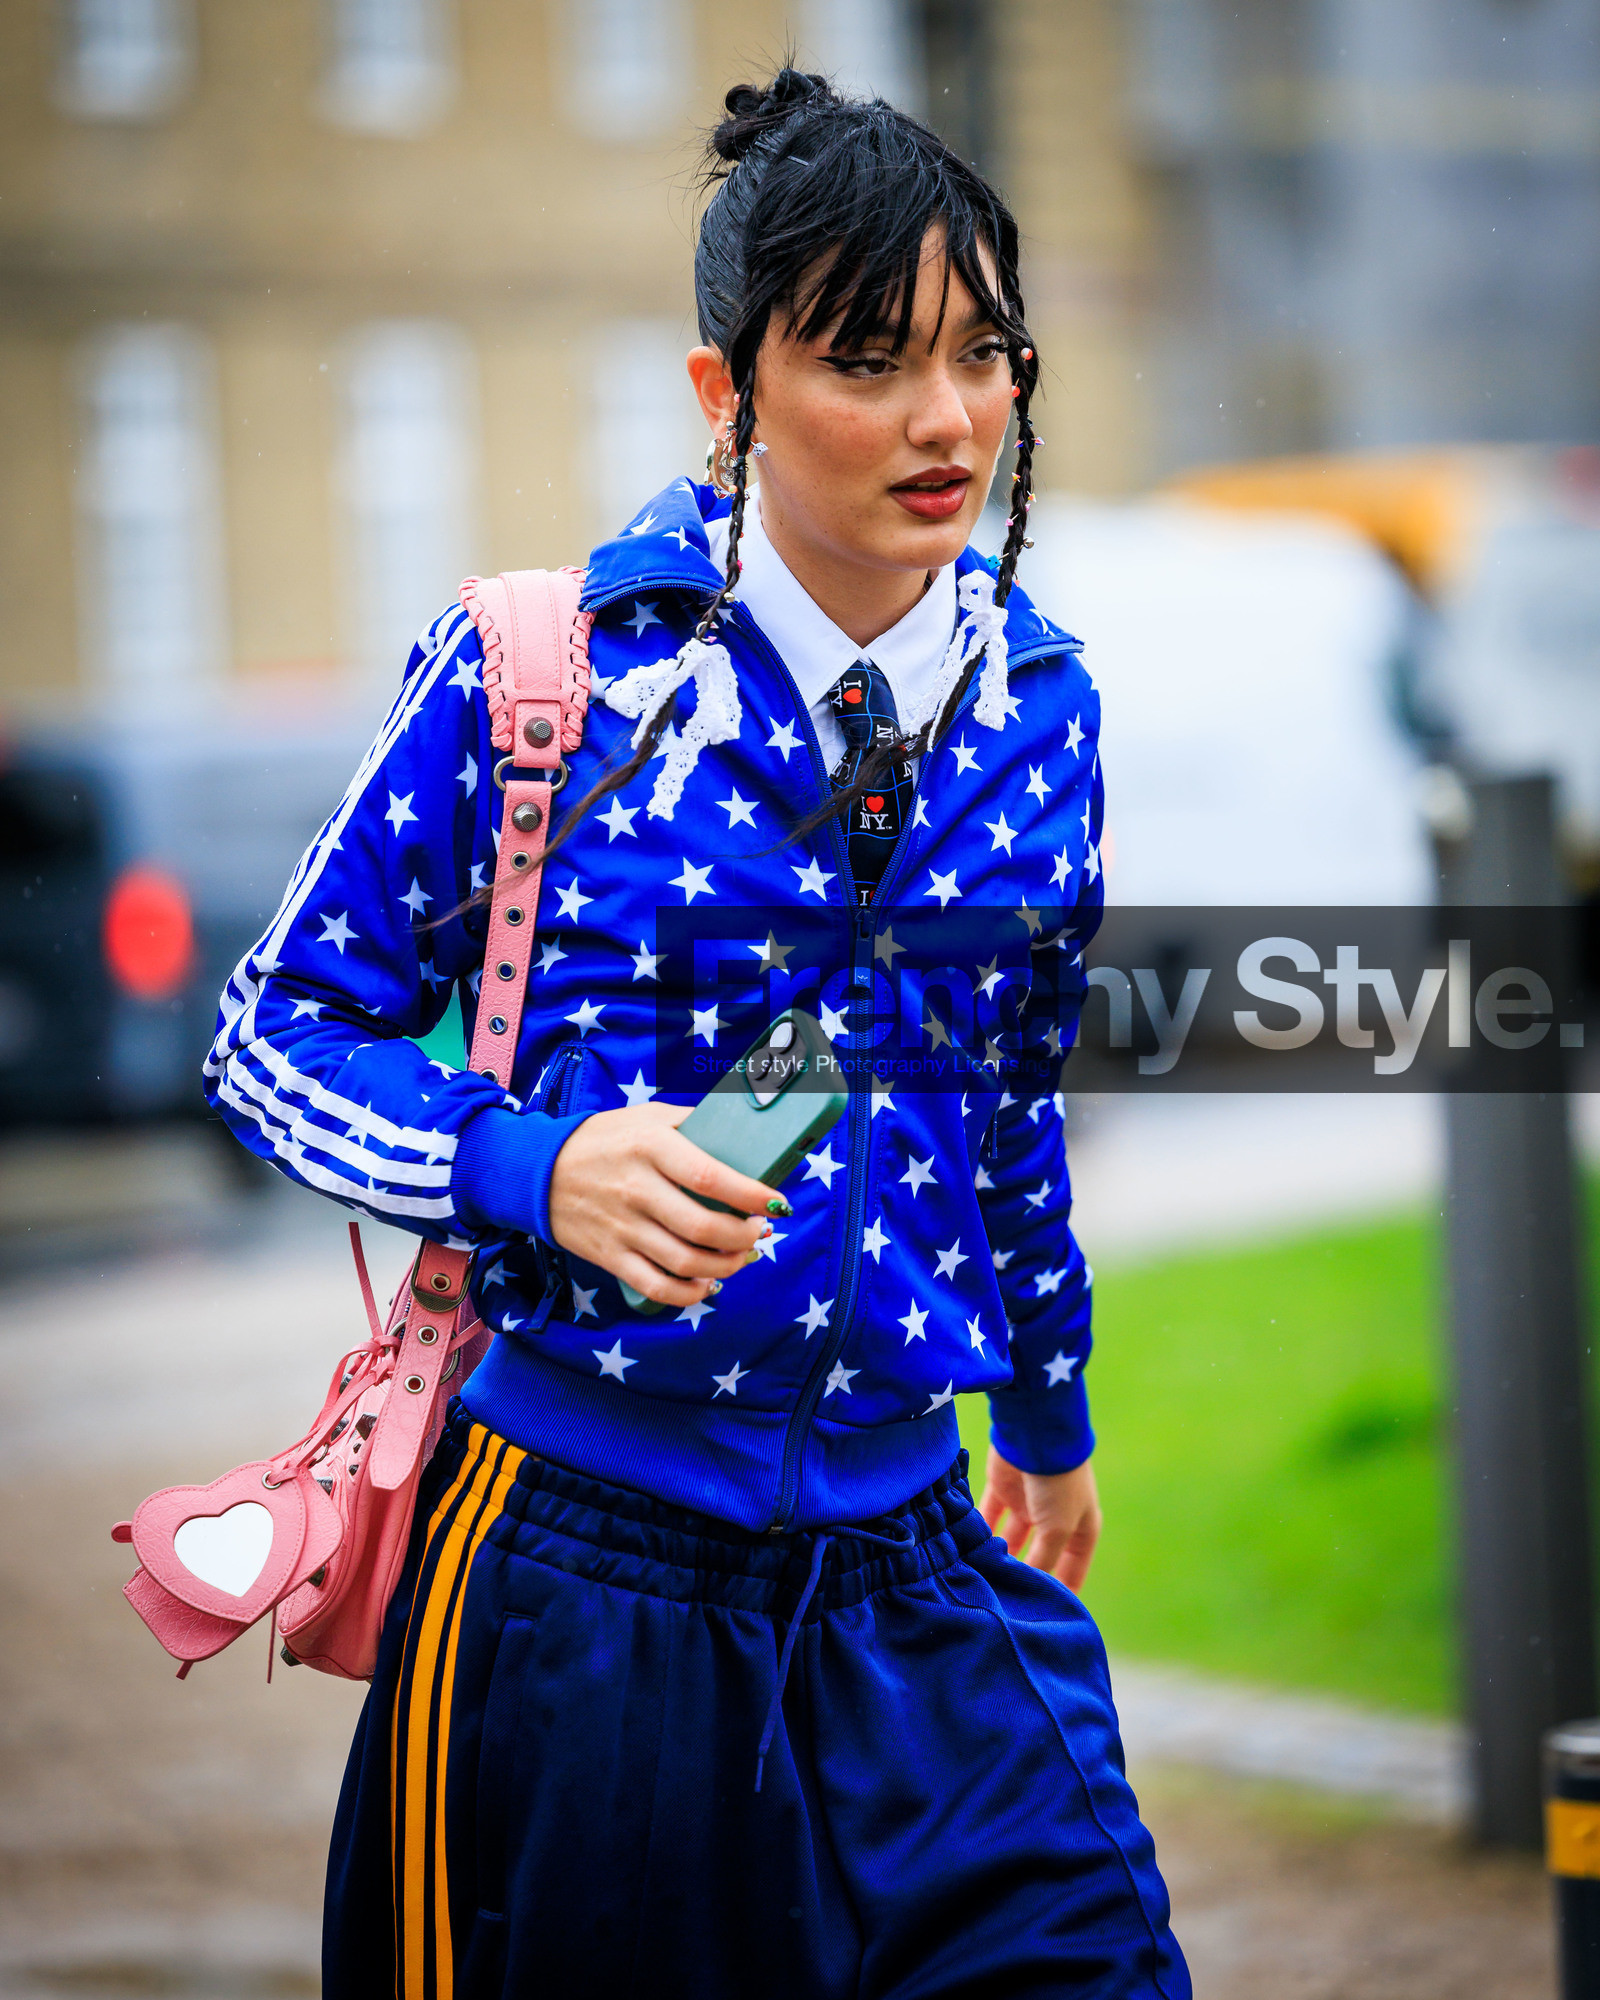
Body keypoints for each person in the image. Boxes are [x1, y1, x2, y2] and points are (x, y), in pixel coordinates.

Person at [207, 67, 1189, 2000]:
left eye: (986, 354)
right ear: (723, 393)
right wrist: (529, 1167)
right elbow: (273, 1031)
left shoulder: (1045, 705)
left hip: (923, 1578)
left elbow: (1006, 1103)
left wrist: (1048, 1412)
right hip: (583, 1571)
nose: (947, 417)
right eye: (869, 359)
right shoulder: (540, 671)